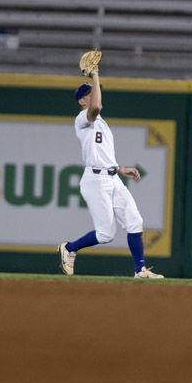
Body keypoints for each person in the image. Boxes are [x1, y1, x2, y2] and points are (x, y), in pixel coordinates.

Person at [58, 64, 164, 279]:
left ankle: (140, 270)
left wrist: (120, 169)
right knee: (106, 234)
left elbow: (102, 155)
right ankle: (69, 248)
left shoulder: (101, 123)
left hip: (112, 177)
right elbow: (96, 106)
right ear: (81, 101)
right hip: (95, 181)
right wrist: (95, 74)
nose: (94, 94)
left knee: (135, 221)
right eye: (89, 93)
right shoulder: (82, 119)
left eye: (94, 91)